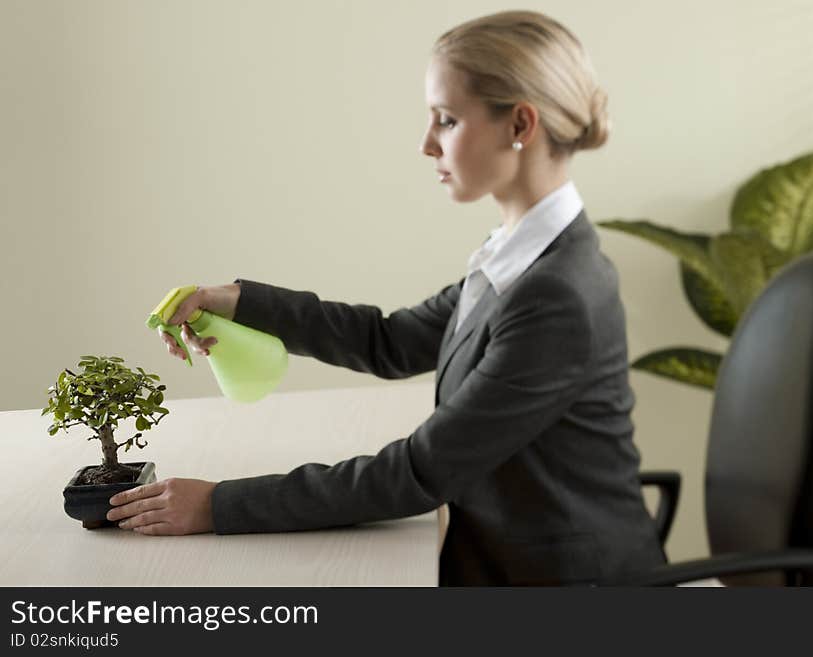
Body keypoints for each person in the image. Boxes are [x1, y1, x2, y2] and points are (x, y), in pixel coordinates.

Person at [107, 9, 666, 586]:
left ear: (520, 125)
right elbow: (390, 341)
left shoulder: (556, 294)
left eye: (446, 120)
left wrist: (218, 505)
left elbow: (420, 472)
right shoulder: (522, 253)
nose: (427, 144)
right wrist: (236, 301)